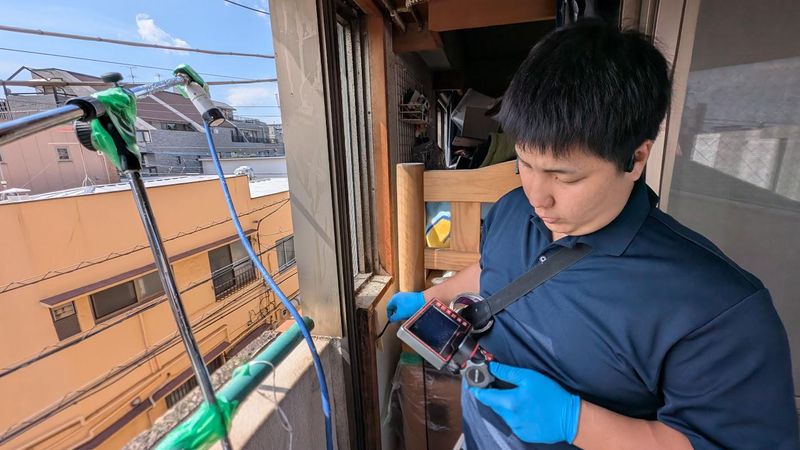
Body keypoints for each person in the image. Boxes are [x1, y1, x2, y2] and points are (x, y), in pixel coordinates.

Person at [387, 20, 798, 450]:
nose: (537, 196)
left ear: (636, 158)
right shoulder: (512, 209)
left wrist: (575, 421)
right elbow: (494, 269)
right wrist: (431, 297)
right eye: (524, 163)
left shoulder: (719, 309)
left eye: (565, 177)